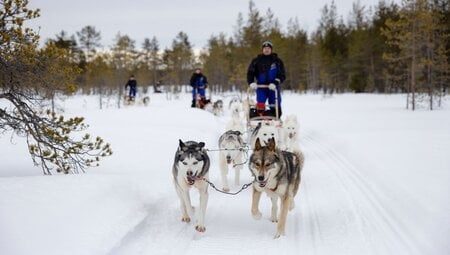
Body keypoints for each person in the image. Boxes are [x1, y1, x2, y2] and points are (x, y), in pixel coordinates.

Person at [247, 40, 286, 118]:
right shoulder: (257, 61)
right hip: (261, 87)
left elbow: (282, 75)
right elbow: (250, 72)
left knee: (275, 106)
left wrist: (275, 83)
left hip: (273, 88)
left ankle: (275, 120)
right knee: (260, 105)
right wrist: (251, 82)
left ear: (271, 49)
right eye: (265, 48)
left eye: (268, 48)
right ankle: (259, 121)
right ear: (262, 49)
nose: (266, 49)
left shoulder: (277, 61)